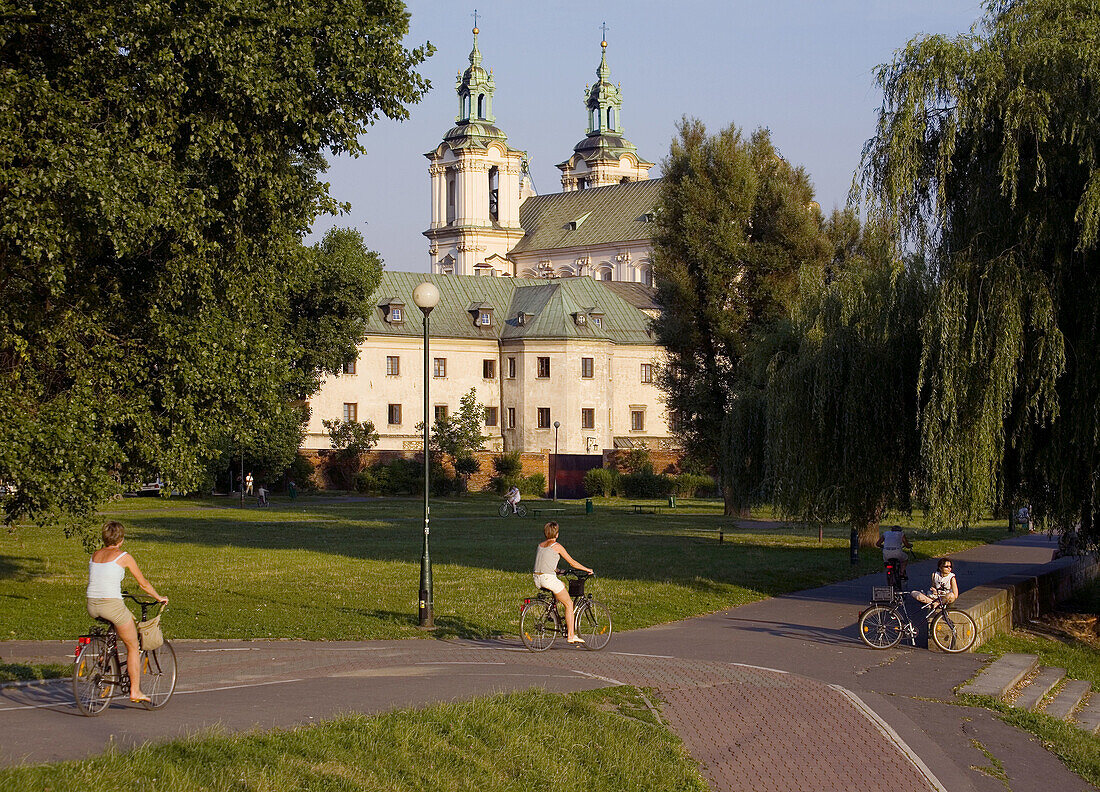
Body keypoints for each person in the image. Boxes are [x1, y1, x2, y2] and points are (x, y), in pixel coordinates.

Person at [85, 520, 168, 703]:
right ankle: (135, 691)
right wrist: (158, 597)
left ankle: (103, 657)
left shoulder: (95, 554)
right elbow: (143, 583)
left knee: (120, 622)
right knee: (133, 646)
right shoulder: (123, 556)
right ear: (121, 539)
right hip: (111, 605)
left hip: (92, 604)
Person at [532, 521, 593, 644]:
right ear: (557, 534)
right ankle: (571, 635)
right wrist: (587, 569)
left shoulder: (540, 545)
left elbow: (546, 562)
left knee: (562, 585)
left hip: (537, 578)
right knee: (569, 604)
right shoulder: (557, 546)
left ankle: (552, 610)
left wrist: (559, 571)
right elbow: (572, 563)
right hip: (548, 579)